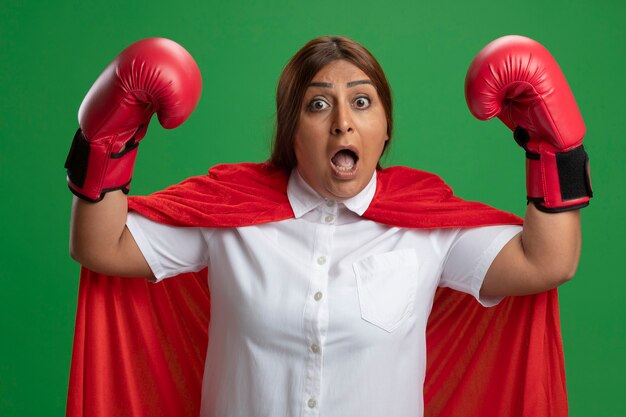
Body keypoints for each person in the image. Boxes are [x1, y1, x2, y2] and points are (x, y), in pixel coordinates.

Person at [66, 35, 591, 417]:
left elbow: (547, 261)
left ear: (384, 129)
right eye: (318, 104)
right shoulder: (228, 216)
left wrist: (554, 150)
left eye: (362, 102)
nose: (342, 120)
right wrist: (108, 139)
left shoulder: (430, 229)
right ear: (292, 130)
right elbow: (101, 247)